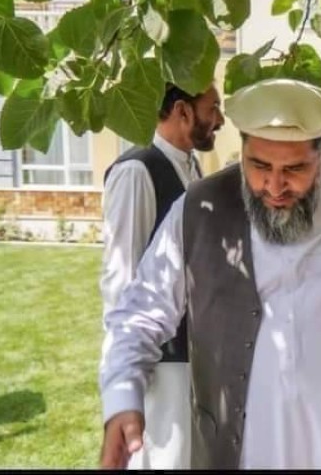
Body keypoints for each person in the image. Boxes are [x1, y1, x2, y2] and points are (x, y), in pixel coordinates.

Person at [98, 78, 321, 469]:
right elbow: (139, 315)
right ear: (243, 148)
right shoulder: (199, 208)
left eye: (295, 168)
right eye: (259, 165)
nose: (274, 186)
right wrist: (122, 397)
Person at [99, 82, 224, 469]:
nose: (220, 120)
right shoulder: (137, 171)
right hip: (162, 363)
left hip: (195, 357)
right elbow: (121, 278)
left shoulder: (192, 168)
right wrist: (130, 372)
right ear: (183, 111)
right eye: (213, 109)